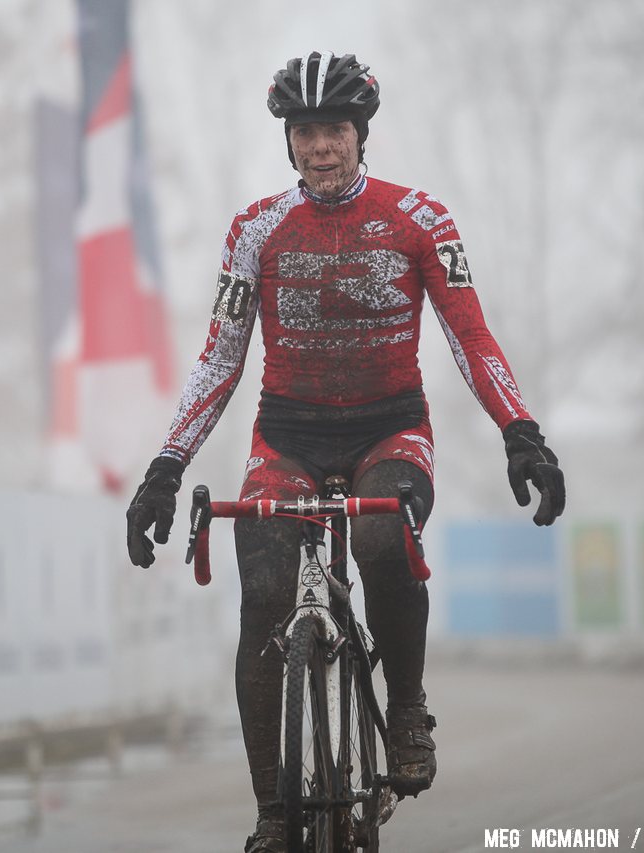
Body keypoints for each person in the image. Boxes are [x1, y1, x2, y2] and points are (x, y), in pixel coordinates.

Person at [124, 52, 566, 852]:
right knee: (261, 587)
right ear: (288, 143)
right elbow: (221, 358)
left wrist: (520, 432)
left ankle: (404, 712)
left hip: (389, 428)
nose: (320, 146)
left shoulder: (419, 219)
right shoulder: (255, 229)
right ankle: (270, 813)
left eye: (334, 130)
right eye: (305, 132)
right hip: (286, 435)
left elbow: (469, 336)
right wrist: (166, 467)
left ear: (361, 134)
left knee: (378, 537)